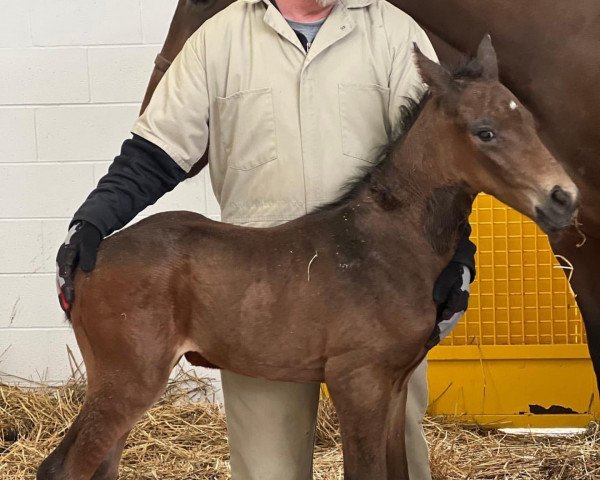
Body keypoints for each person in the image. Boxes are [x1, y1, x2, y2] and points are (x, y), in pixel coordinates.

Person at [56, 0, 476, 477]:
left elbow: (451, 150)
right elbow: (156, 151)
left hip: (376, 295)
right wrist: (92, 219)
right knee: (267, 467)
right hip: (258, 298)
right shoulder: (221, 37)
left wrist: (458, 258)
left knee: (393, 458)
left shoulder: (394, 30)